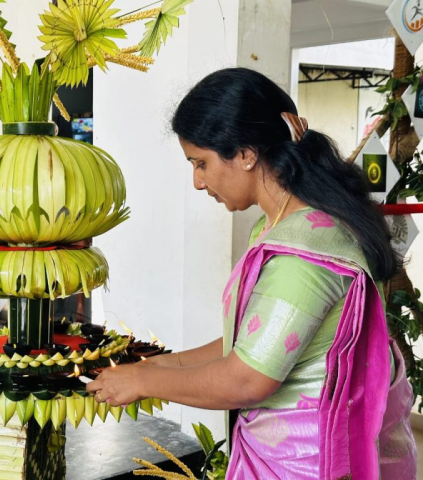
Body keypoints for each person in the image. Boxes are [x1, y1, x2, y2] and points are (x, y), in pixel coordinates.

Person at [85, 68, 417, 479]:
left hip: (306, 463)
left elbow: (246, 379)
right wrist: (160, 366)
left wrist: (143, 383)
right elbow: (251, 344)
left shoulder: (304, 255)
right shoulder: (279, 224)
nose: (197, 181)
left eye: (201, 163)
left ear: (245, 154)